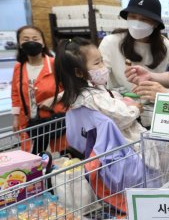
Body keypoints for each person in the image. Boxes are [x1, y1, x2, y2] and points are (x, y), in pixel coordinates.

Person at [99, 0, 169, 127]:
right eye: (133, 17)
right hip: (121, 115)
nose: (137, 23)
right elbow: (99, 80)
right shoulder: (111, 42)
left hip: (156, 117)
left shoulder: (168, 48)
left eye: (144, 19)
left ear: (156, 23)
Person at [54, 37, 145, 143]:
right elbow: (121, 118)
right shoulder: (92, 97)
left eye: (102, 60)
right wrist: (135, 109)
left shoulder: (79, 92)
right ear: (79, 72)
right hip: (125, 145)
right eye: (97, 63)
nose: (103, 66)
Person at [11, 25, 66, 154]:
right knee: (34, 163)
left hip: (55, 121)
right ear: (19, 44)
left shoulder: (55, 63)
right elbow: (15, 94)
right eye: (25, 39)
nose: (31, 41)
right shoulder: (19, 68)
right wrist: (16, 117)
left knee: (61, 160)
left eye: (35, 38)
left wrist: (54, 98)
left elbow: (72, 88)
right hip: (30, 124)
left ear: (43, 43)